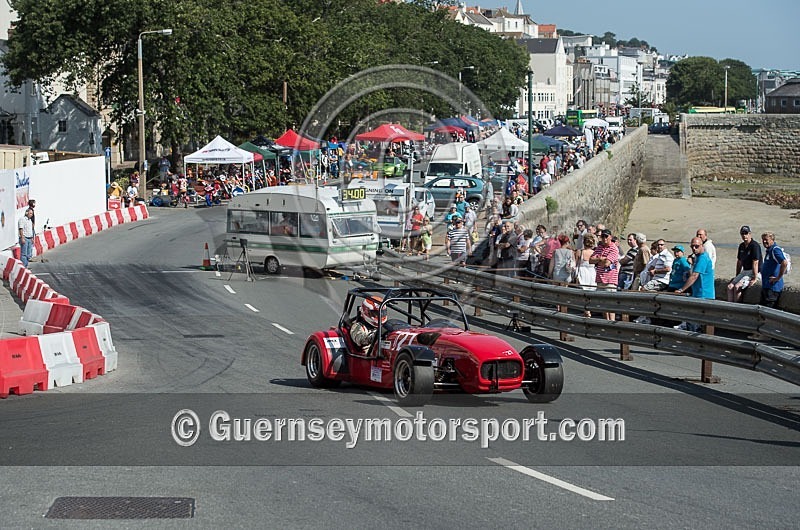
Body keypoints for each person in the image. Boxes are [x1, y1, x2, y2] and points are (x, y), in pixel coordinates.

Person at [674, 237, 715, 332]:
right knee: (694, 321)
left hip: (704, 295)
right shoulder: (698, 257)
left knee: (694, 321)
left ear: (702, 246)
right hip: (698, 294)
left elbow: (694, 276)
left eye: (696, 246)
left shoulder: (703, 258)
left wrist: (681, 290)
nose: (694, 248)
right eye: (692, 246)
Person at [589, 228, 620, 321]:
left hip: (610, 280)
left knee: (610, 304)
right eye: (602, 236)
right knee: (603, 305)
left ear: (610, 237)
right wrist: (600, 259)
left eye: (606, 236)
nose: (604, 238)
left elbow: (607, 263)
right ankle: (606, 322)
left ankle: (611, 322)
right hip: (600, 279)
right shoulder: (599, 247)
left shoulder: (613, 248)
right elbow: (590, 260)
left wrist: (598, 260)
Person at [727, 225, 762, 303]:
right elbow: (739, 262)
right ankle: (730, 306)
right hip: (745, 271)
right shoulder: (741, 246)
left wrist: (754, 278)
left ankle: (737, 307)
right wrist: (737, 275)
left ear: (750, 234)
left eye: (746, 233)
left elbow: (755, 262)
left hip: (754, 271)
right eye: (742, 234)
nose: (744, 235)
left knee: (737, 287)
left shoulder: (755, 246)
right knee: (730, 286)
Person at [757, 231, 788, 313]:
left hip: (773, 289)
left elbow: (784, 263)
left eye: (766, 240)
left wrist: (777, 278)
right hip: (766, 287)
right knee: (761, 311)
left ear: (772, 240)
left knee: (768, 313)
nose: (764, 242)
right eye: (763, 240)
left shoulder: (775, 250)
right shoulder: (769, 250)